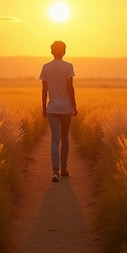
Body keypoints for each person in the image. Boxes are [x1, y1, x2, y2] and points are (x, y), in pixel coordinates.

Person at [39, 40, 78, 182]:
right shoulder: (68, 66)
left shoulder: (45, 67)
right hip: (66, 108)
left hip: (52, 108)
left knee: (54, 140)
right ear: (65, 51)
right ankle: (64, 169)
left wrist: (44, 108)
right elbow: (70, 88)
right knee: (65, 138)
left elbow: (44, 90)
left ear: (51, 51)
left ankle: (55, 171)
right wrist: (74, 106)